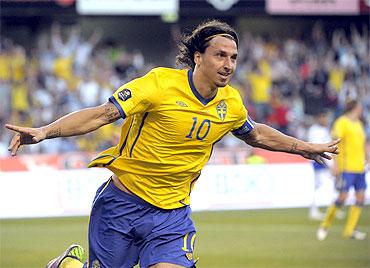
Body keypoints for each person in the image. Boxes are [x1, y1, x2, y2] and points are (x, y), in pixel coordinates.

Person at [6, 20, 339, 268]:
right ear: (197, 57)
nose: (228, 65)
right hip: (122, 205)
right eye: (220, 55)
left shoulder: (231, 103)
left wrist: (304, 147)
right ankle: (69, 264)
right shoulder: (159, 84)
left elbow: (256, 134)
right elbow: (104, 114)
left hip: (172, 215)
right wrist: (44, 132)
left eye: (234, 57)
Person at [316, 99, 367, 241]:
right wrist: (336, 164)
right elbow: (335, 142)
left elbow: (362, 145)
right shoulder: (342, 122)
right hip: (347, 167)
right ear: (355, 108)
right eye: (360, 107)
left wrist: (367, 158)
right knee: (342, 198)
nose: (361, 110)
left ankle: (349, 231)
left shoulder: (359, 124)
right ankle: (325, 225)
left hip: (360, 168)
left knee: (360, 197)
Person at [306, 109, 333, 220]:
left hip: (323, 161)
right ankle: (315, 210)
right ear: (320, 118)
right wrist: (330, 164)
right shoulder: (315, 130)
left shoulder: (323, 130)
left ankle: (329, 208)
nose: (326, 120)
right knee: (321, 185)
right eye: (324, 117)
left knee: (321, 185)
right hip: (319, 160)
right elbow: (318, 147)